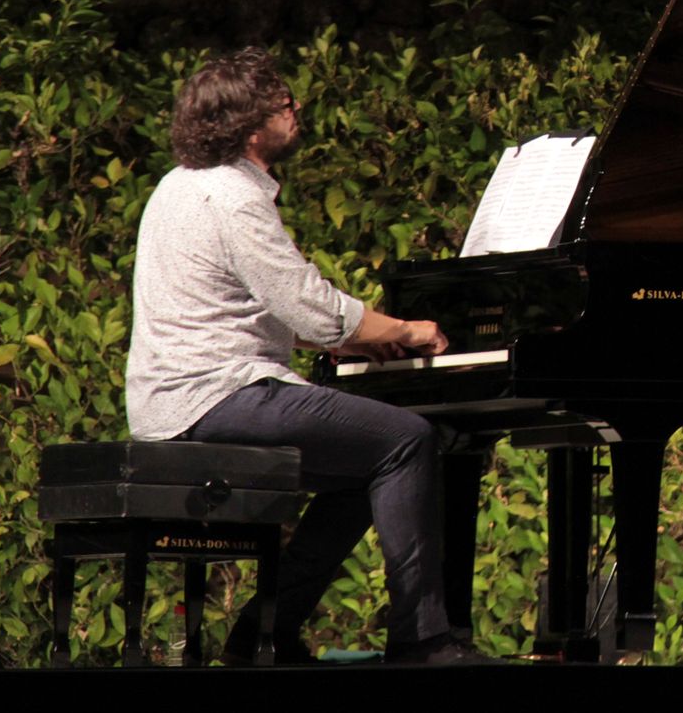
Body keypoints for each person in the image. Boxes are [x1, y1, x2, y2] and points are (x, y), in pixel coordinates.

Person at [127, 47, 484, 666]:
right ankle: (423, 641)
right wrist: (410, 329)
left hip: (176, 400)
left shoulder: (178, 185)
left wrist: (356, 340)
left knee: (359, 476)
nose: (298, 113)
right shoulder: (232, 197)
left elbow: (245, 305)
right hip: (216, 397)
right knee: (407, 440)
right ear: (250, 126)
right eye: (285, 106)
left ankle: (263, 636)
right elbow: (310, 305)